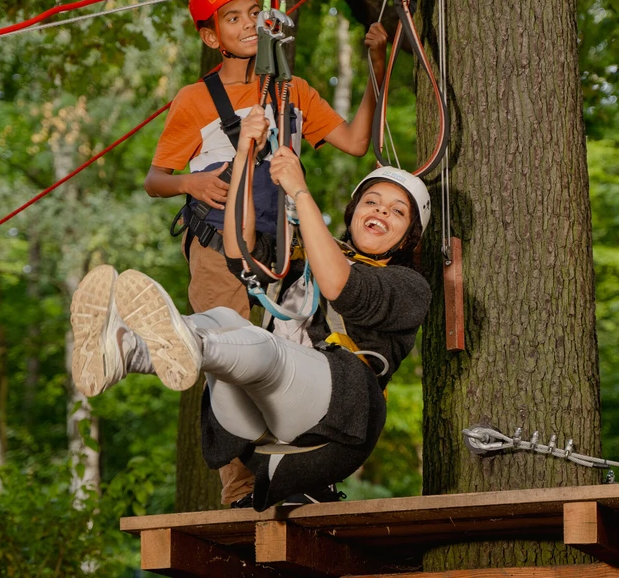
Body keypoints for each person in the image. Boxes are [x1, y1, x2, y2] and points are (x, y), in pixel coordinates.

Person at [71, 106, 431, 510]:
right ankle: (124, 349)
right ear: (354, 212)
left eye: (397, 211)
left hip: (332, 425)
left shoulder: (408, 287)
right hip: (254, 433)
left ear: (408, 239)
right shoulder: (303, 258)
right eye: (372, 201)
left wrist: (299, 191)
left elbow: (340, 285)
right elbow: (238, 249)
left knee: (256, 343)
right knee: (224, 319)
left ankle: (189, 342)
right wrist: (243, 153)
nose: (381, 211)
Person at [141, 0, 388, 503]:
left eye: (254, 13)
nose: (247, 25)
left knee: (289, 350)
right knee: (227, 348)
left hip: (282, 249)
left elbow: (354, 140)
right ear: (212, 36)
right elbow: (155, 179)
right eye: (233, 18)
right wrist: (193, 180)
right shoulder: (195, 99)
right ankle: (238, 488)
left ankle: (291, 475)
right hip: (216, 244)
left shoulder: (291, 91)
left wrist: (376, 68)